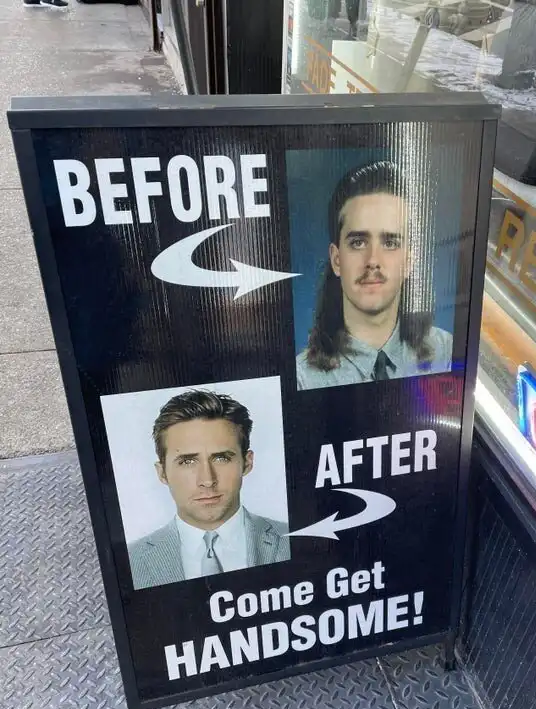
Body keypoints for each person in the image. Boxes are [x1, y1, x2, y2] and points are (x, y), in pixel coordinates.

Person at [296, 160, 452, 391]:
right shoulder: (302, 380)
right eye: (358, 242)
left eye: (390, 242)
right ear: (337, 260)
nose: (372, 260)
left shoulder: (447, 353)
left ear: (409, 261)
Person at [128, 389, 290, 590]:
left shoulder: (294, 540)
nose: (207, 480)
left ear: (247, 463)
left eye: (221, 458)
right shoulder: (130, 561)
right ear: (162, 473)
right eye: (187, 461)